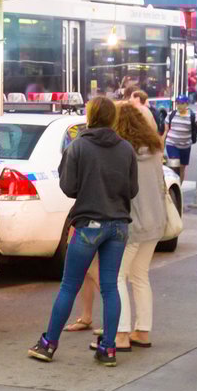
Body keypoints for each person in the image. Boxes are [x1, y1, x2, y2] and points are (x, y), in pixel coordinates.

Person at [28, 97, 137, 367]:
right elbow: (132, 189)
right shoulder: (126, 149)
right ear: (112, 118)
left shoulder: (78, 146)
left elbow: (68, 187)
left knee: (69, 285)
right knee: (110, 287)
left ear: (90, 116)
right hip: (118, 224)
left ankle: (48, 344)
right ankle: (108, 348)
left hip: (88, 223)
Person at [112, 103, 168, 351]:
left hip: (132, 222)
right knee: (140, 275)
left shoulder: (122, 152)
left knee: (116, 277)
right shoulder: (155, 149)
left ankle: (121, 334)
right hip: (155, 221)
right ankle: (142, 330)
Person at [164, 95, 197, 183]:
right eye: (178, 103)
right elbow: (166, 130)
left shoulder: (192, 116)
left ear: (187, 104)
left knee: (182, 168)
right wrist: (161, 143)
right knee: (174, 166)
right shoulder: (171, 114)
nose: (179, 105)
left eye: (182, 103)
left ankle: (179, 186)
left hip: (185, 146)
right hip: (172, 144)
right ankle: (172, 185)